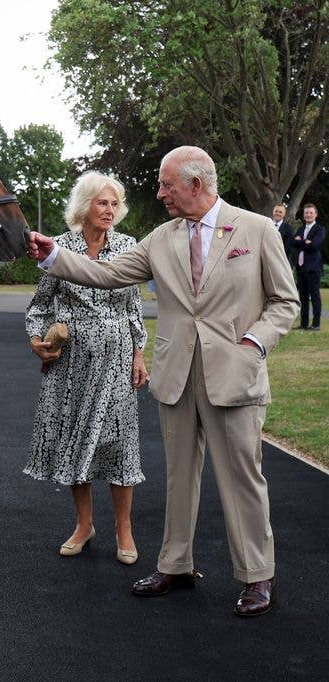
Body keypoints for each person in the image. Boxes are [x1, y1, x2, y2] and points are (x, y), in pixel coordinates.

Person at [26, 146, 299, 618]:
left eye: (166, 185)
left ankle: (257, 575)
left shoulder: (255, 229)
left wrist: (253, 344)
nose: (159, 193)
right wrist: (55, 257)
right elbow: (108, 273)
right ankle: (175, 565)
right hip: (176, 377)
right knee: (178, 478)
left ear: (196, 184)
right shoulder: (160, 238)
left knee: (242, 479)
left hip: (234, 376)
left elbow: (285, 302)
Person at [24, 172, 148, 566]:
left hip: (116, 361)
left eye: (114, 204)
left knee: (118, 445)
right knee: (77, 440)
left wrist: (139, 353)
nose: (110, 210)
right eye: (102, 203)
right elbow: (39, 307)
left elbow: (133, 308)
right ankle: (84, 525)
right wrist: (37, 342)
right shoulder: (58, 247)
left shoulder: (129, 247)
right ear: (85, 206)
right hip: (71, 365)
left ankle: (124, 529)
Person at [292, 203, 325, 331]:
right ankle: (304, 323)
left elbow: (315, 245)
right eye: (306, 213)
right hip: (301, 267)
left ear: (315, 214)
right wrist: (304, 241)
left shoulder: (319, 229)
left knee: (314, 295)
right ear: (304, 215)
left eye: (311, 212)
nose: (308, 215)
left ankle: (316, 324)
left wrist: (300, 241)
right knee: (303, 296)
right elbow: (293, 242)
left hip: (313, 267)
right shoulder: (301, 229)